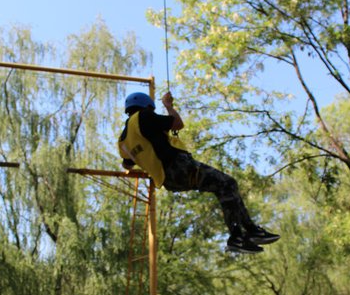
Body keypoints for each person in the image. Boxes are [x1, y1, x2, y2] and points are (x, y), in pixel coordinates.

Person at [118, 91, 279, 254]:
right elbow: (177, 124)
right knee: (227, 183)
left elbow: (128, 164)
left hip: (170, 181)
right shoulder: (144, 116)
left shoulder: (123, 140)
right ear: (148, 106)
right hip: (179, 168)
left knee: (223, 186)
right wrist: (169, 107)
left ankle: (247, 232)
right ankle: (240, 235)